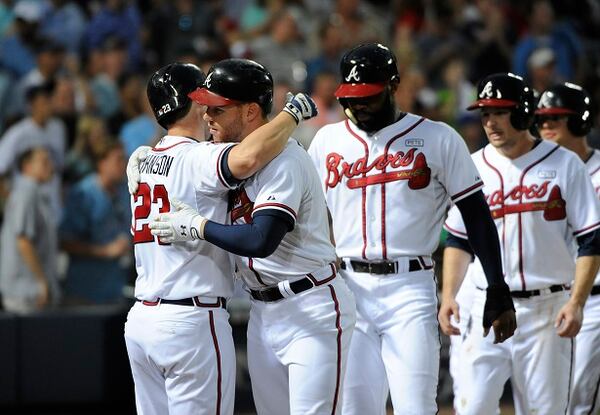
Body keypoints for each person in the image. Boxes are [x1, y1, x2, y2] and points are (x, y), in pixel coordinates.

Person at [307, 43, 516, 415]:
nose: (358, 105)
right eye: (351, 98)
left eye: (368, 96)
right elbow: (307, 217)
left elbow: (477, 216)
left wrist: (497, 287)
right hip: (349, 286)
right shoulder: (326, 140)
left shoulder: (438, 137)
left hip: (410, 289)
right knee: (355, 408)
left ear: (394, 85)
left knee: (415, 407)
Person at [145, 58, 356, 415]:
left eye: (218, 108)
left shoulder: (285, 160)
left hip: (311, 305)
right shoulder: (217, 153)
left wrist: (200, 227)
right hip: (262, 310)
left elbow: (262, 239)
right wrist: (145, 160)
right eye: (205, 106)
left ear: (250, 112)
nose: (206, 115)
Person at [442, 73, 600, 415]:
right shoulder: (472, 165)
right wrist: (449, 295)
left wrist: (576, 302)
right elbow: (458, 238)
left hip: (547, 307)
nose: (490, 121)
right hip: (485, 303)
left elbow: (592, 240)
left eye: (499, 112)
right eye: (485, 113)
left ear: (523, 113)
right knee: (473, 408)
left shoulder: (564, 164)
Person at [535, 82, 600, 415]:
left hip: (594, 300)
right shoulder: (537, 175)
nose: (545, 126)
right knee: (546, 400)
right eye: (541, 120)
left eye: (555, 119)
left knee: (578, 399)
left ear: (579, 122)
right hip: (550, 297)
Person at [60, 140, 131, 305]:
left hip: (115, 288)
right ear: (101, 163)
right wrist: (105, 251)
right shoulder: (83, 194)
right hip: (85, 291)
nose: (124, 165)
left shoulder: (124, 191)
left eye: (125, 159)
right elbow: (65, 242)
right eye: (118, 160)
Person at [0, 147, 60, 313]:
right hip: (25, 291)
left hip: (32, 290)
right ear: (27, 166)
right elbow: (23, 241)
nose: (51, 166)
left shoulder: (36, 193)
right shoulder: (25, 193)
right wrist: (41, 282)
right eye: (44, 161)